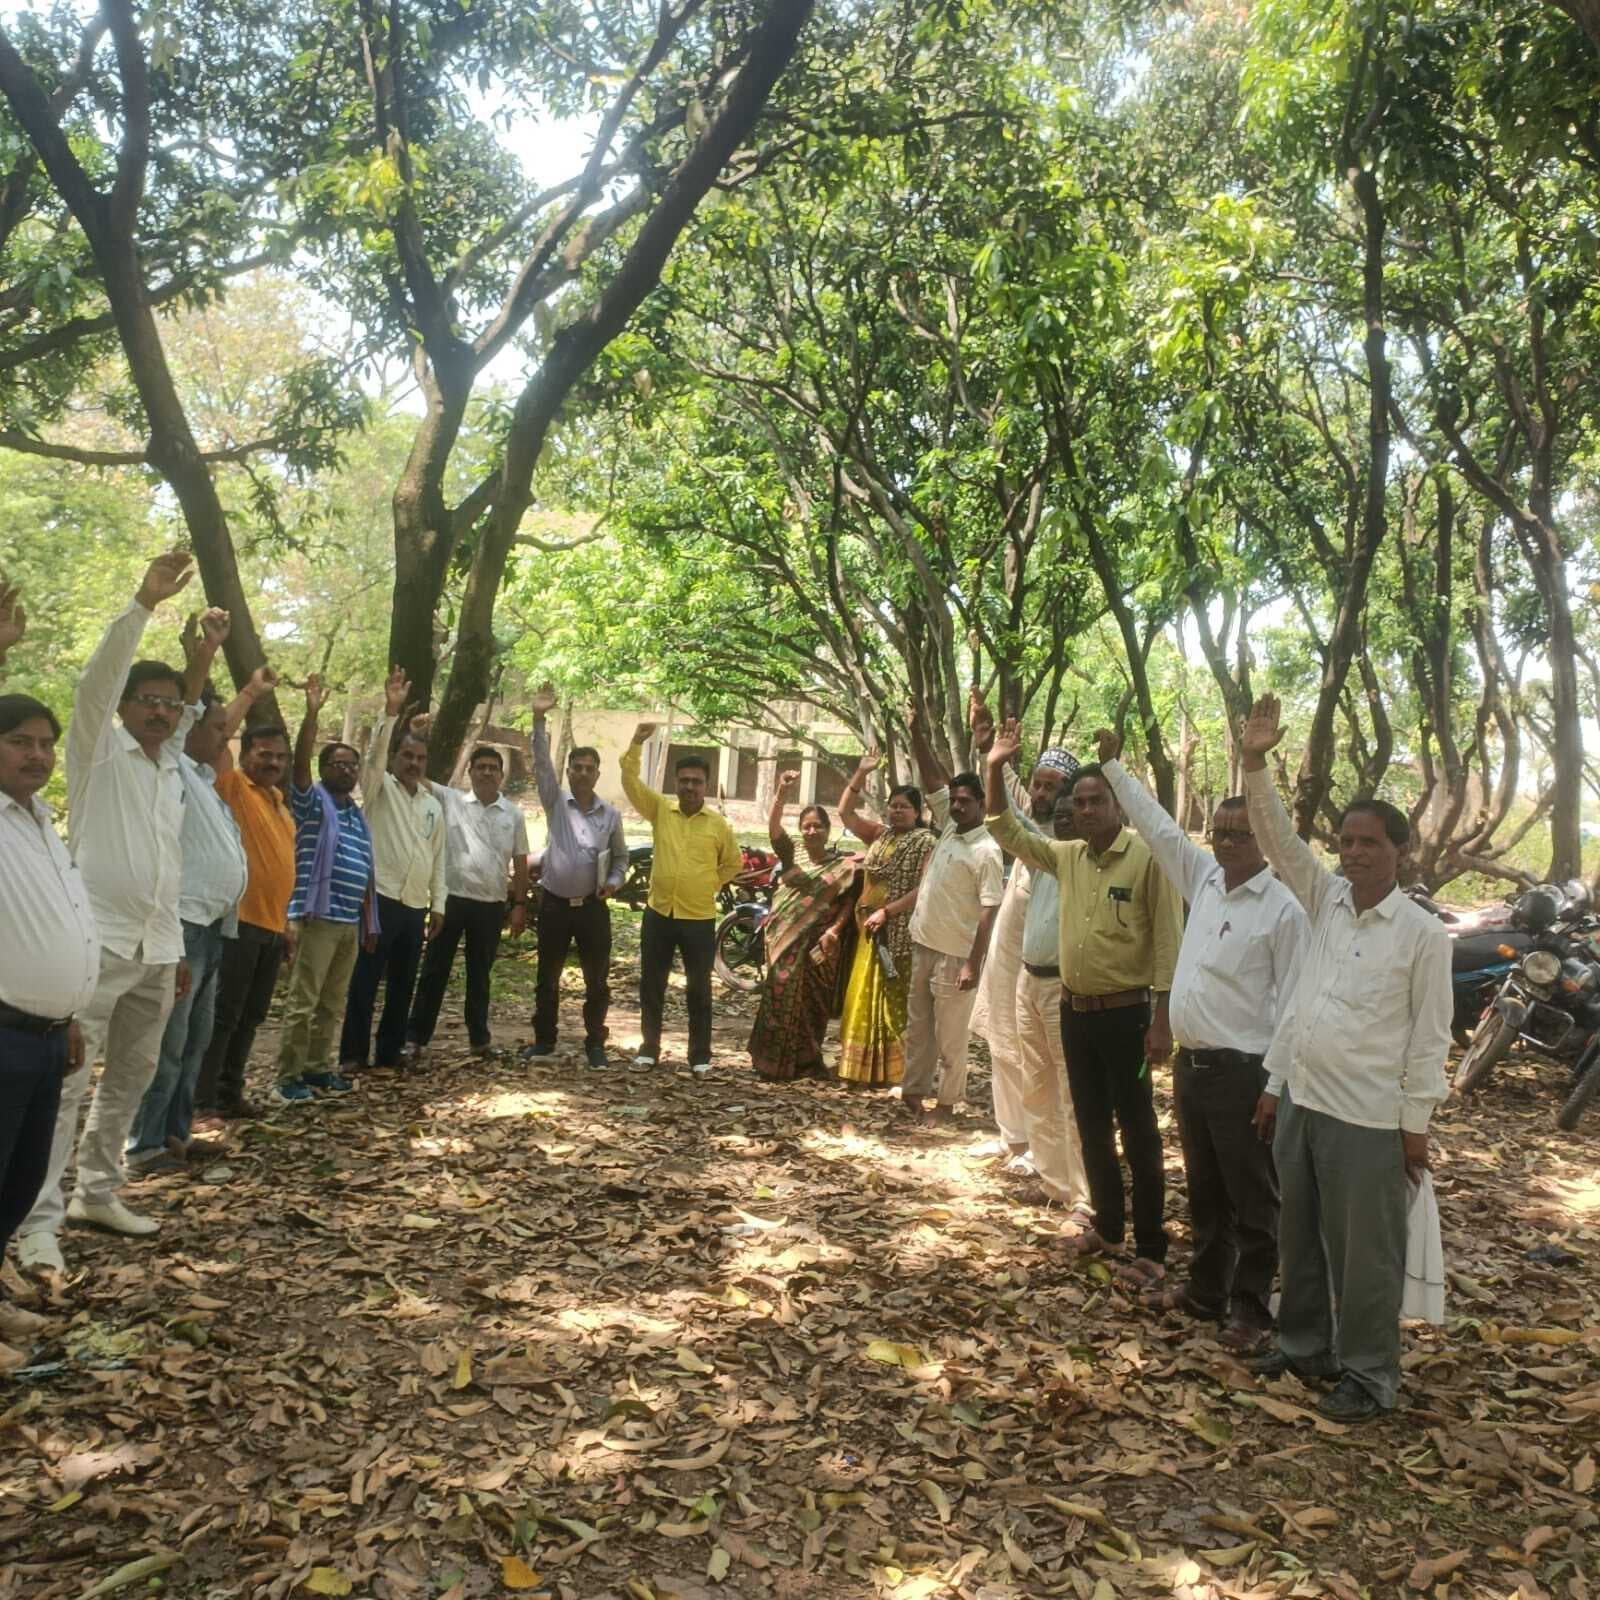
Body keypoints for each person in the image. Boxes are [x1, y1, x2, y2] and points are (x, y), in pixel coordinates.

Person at [1240, 694, 1450, 1422]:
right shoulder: (1325, 898)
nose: (1354, 853)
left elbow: (1429, 1039)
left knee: (1366, 1258)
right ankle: (1305, 1346)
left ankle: (1369, 1375)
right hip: (1304, 1097)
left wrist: (1414, 1125)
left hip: (1368, 1117)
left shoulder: (1424, 936)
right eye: (1347, 842)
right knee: (1299, 1236)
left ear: (1400, 854)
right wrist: (1255, 762)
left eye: (1370, 843)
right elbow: (1276, 838)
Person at [15, 551, 198, 1273]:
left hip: (157, 949)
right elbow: (92, 684)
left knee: (130, 1077)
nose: (159, 710)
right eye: (147, 699)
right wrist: (144, 603)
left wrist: (177, 946)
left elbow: (168, 869)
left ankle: (99, 1191)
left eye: (170, 702)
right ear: (125, 708)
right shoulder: (98, 753)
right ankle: (37, 1220)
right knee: (66, 1087)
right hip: (98, 949)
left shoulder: (169, 769)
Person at [1098, 727, 1306, 1351]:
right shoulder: (1207, 881)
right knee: (1207, 1187)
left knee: (1252, 1197)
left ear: (1266, 840)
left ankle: (1250, 1309)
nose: (1225, 842)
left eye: (1240, 834)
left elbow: (1293, 1003)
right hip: (1195, 1068)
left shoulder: (1285, 909)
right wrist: (1115, 770)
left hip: (1246, 1073)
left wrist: (1274, 1087)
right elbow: (1160, 829)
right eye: (1219, 831)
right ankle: (1207, 1292)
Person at [986, 723, 1183, 1280]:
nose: (1088, 809)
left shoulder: (1145, 860)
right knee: (1092, 1123)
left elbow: (1168, 944)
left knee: (1138, 1128)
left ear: (1117, 805)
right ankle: (1109, 1228)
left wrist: (1162, 1020)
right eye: (1082, 802)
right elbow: (1006, 829)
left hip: (1127, 1015)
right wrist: (994, 766)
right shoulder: (1068, 856)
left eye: (1098, 800)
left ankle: (1150, 1245)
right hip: (1075, 1011)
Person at [0, 580, 96, 1361]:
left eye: (44, 743)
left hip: (43, 1038)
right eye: (19, 740)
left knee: (17, 1184)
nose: (36, 754)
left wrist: (64, 1018)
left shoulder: (38, 820)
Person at [125, 611, 249, 1173]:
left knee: (194, 1044)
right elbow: (188, 709)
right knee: (168, 1045)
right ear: (189, 728)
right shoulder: (170, 764)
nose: (223, 734)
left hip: (213, 927)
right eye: (215, 726)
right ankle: (143, 1144)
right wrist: (207, 652)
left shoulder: (202, 779)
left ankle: (176, 1134)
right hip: (182, 926)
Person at [965, 690, 1082, 1190]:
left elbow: (1006, 807)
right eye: (1036, 783)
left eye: (1051, 786)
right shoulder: (1032, 818)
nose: (1039, 792)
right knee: (1001, 1044)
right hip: (1013, 955)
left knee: (1044, 1068)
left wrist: (994, 766)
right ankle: (1014, 1136)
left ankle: (1050, 1159)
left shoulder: (1062, 838)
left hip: (1050, 970)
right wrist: (986, 748)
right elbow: (1009, 794)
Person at [193, 673, 297, 1124]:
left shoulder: (280, 804)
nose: (272, 762)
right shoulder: (232, 787)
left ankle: (231, 1092)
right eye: (264, 754)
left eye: (279, 757)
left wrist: (287, 923)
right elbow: (215, 745)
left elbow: (280, 871)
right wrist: (251, 693)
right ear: (246, 754)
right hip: (238, 923)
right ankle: (203, 1100)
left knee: (252, 1016)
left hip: (272, 928)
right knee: (224, 1016)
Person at [275, 675, 377, 1104]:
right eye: (338, 764)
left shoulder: (355, 813)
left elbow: (366, 868)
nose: (347, 770)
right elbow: (297, 765)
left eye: (352, 765)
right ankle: (288, 1077)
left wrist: (368, 920)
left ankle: (318, 1070)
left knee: (332, 1003)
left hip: (348, 922)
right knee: (304, 1001)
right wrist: (312, 714)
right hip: (316, 918)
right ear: (322, 769)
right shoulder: (311, 802)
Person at [899, 708, 1005, 1119]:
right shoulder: (948, 828)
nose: (957, 806)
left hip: (955, 958)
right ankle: (913, 1093)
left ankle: (947, 1102)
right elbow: (931, 780)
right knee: (919, 1029)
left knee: (951, 1038)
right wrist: (916, 730)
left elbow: (989, 909)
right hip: (924, 945)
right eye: (954, 801)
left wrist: (972, 963)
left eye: (965, 801)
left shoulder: (987, 850)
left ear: (982, 804)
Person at [339, 668, 446, 1073]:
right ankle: (352, 1055)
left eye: (420, 759)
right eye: (407, 756)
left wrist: (440, 906)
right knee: (364, 983)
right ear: (396, 758)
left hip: (414, 904)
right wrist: (391, 712)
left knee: (403, 986)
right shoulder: (378, 789)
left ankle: (388, 1054)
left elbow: (439, 859)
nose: (413, 763)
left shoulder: (433, 805)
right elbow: (374, 758)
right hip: (377, 900)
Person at [620, 724, 741, 1077]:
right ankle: (649, 1048)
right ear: (676, 782)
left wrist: (709, 885)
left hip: (698, 917)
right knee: (652, 984)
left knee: (699, 988)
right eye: (684, 780)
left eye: (696, 781)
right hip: (659, 913)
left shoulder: (717, 825)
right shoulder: (660, 810)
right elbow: (630, 782)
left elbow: (733, 863)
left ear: (705, 785)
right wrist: (637, 742)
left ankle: (700, 1056)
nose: (690, 786)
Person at [405, 737, 530, 1064]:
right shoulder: (452, 800)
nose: (487, 773)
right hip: (451, 902)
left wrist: (519, 904)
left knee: (480, 976)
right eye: (481, 767)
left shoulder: (513, 815)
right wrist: (415, 733)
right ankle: (416, 1039)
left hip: (491, 906)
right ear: (470, 772)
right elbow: (415, 775)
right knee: (434, 971)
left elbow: (520, 861)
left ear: (502, 775)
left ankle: (479, 1041)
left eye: (493, 768)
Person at [522, 683, 627, 1068]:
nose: (583, 773)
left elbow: (621, 859)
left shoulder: (610, 815)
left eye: (589, 768)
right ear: (569, 771)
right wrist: (538, 718)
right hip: (553, 905)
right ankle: (544, 1041)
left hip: (592, 910)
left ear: (598, 774)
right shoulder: (555, 803)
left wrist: (613, 883)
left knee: (597, 981)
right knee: (546, 978)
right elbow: (540, 763)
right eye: (577, 768)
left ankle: (595, 1043)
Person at [748, 770, 860, 1081]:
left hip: (818, 947)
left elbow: (848, 904)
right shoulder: (792, 857)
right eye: (806, 826)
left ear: (827, 830)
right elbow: (773, 831)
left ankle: (808, 1063)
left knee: (814, 1005)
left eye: (818, 826)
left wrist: (834, 931)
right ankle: (771, 1064)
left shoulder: (842, 867)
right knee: (778, 1000)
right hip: (783, 942)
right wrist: (781, 792)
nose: (812, 831)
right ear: (800, 831)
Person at [836, 754, 936, 1087]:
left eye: (904, 806)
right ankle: (860, 1070)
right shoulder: (880, 835)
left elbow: (924, 890)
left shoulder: (926, 842)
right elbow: (845, 813)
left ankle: (895, 1073)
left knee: (893, 1001)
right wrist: (861, 772)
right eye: (893, 805)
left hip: (898, 934)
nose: (897, 811)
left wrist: (888, 911)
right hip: (867, 932)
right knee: (864, 996)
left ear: (918, 812)